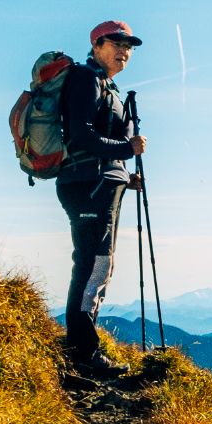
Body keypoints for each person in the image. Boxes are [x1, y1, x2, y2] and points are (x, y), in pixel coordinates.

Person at [57, 19, 146, 376]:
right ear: (97, 45)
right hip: (87, 185)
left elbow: (100, 145)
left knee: (100, 264)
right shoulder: (85, 80)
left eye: (129, 46)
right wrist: (127, 148)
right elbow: (81, 136)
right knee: (94, 264)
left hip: (101, 184)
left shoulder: (106, 86)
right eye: (116, 43)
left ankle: (83, 347)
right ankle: (83, 353)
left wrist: (125, 176)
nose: (124, 50)